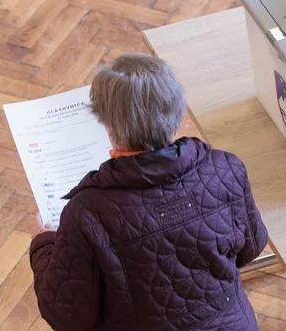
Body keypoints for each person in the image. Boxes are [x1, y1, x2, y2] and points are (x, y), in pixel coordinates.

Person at [29, 53, 268, 330]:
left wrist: (43, 244)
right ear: (177, 113)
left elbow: (66, 314)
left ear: (108, 126)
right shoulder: (226, 169)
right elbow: (250, 248)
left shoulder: (87, 212)